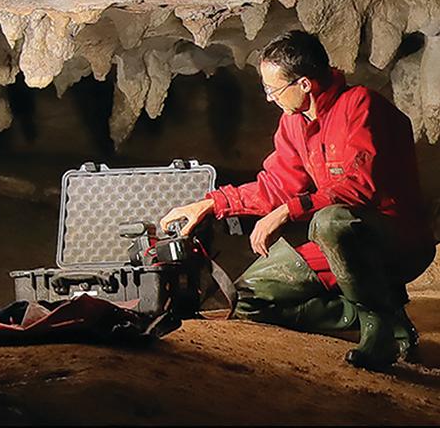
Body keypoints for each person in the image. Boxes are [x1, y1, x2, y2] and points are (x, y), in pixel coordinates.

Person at [160, 30, 436, 370]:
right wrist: (210, 205)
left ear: (304, 84)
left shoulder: (361, 106)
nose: (268, 98)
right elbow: (275, 185)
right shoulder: (294, 123)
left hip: (395, 240)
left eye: (273, 89)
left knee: (331, 220)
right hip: (337, 244)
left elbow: (360, 188)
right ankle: (385, 316)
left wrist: (286, 212)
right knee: (247, 298)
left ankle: (378, 333)